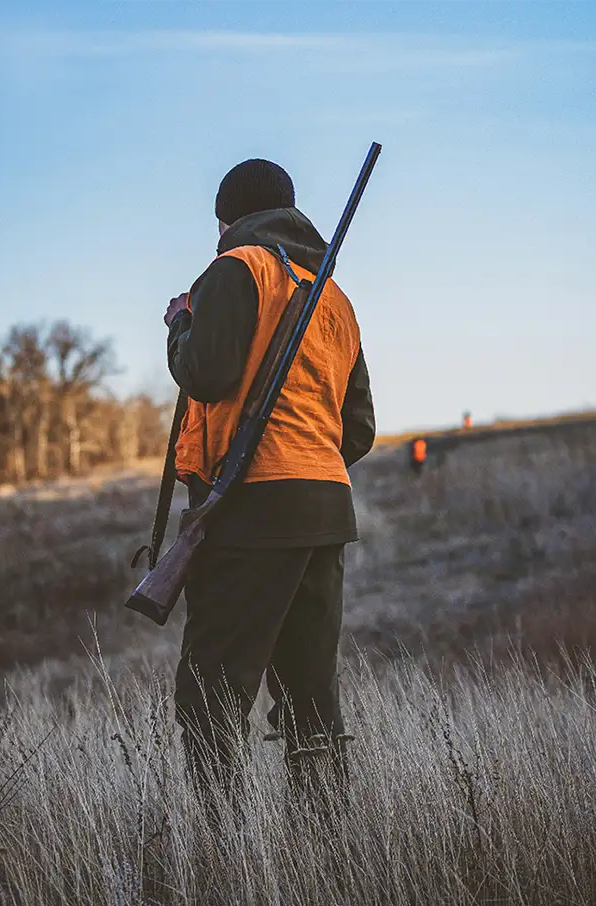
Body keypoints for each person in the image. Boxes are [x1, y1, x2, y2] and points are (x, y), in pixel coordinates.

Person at [162, 158, 376, 811]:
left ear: (226, 219)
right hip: (325, 508)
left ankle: (228, 843)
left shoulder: (237, 268)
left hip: (252, 505)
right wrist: (307, 459)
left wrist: (180, 323)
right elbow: (359, 429)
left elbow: (206, 373)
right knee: (310, 691)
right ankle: (325, 836)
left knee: (212, 691)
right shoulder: (332, 296)